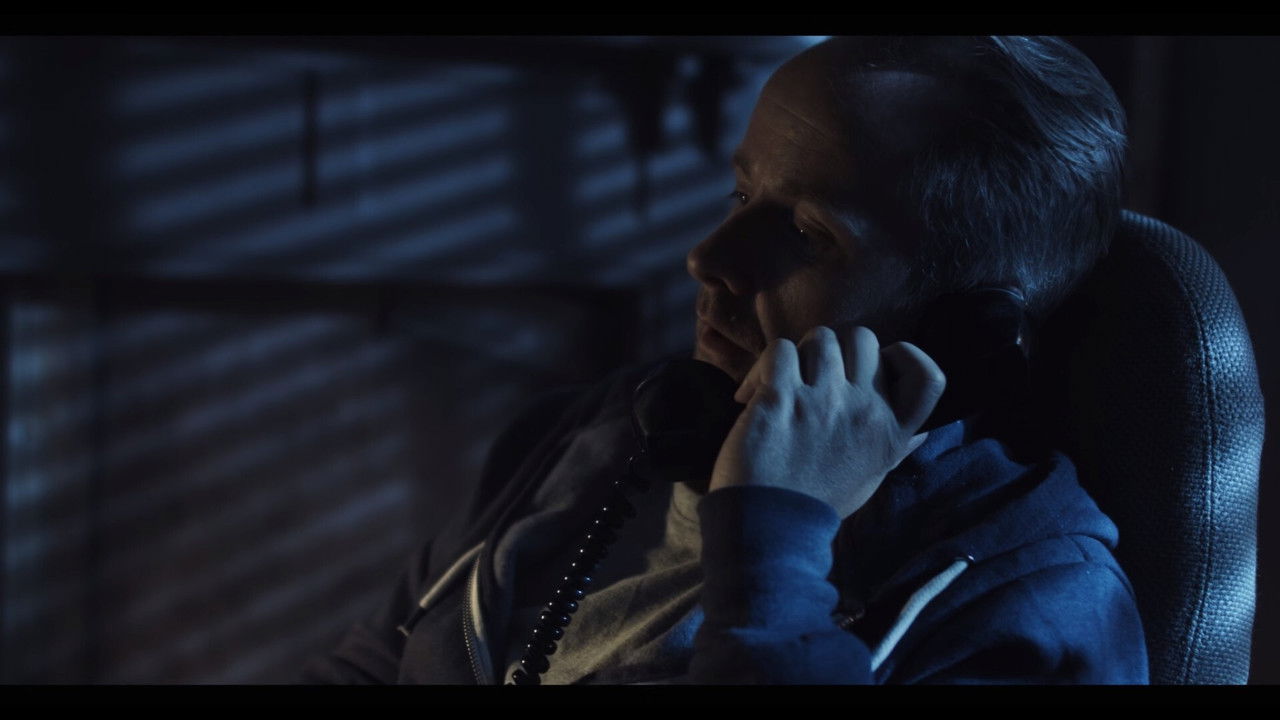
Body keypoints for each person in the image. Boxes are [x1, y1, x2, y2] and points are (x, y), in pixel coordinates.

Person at [300, 36, 1149, 685]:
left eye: (808, 234)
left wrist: (775, 534)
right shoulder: (602, 431)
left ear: (965, 331)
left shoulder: (1033, 604)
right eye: (742, 194)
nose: (708, 257)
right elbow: (371, 667)